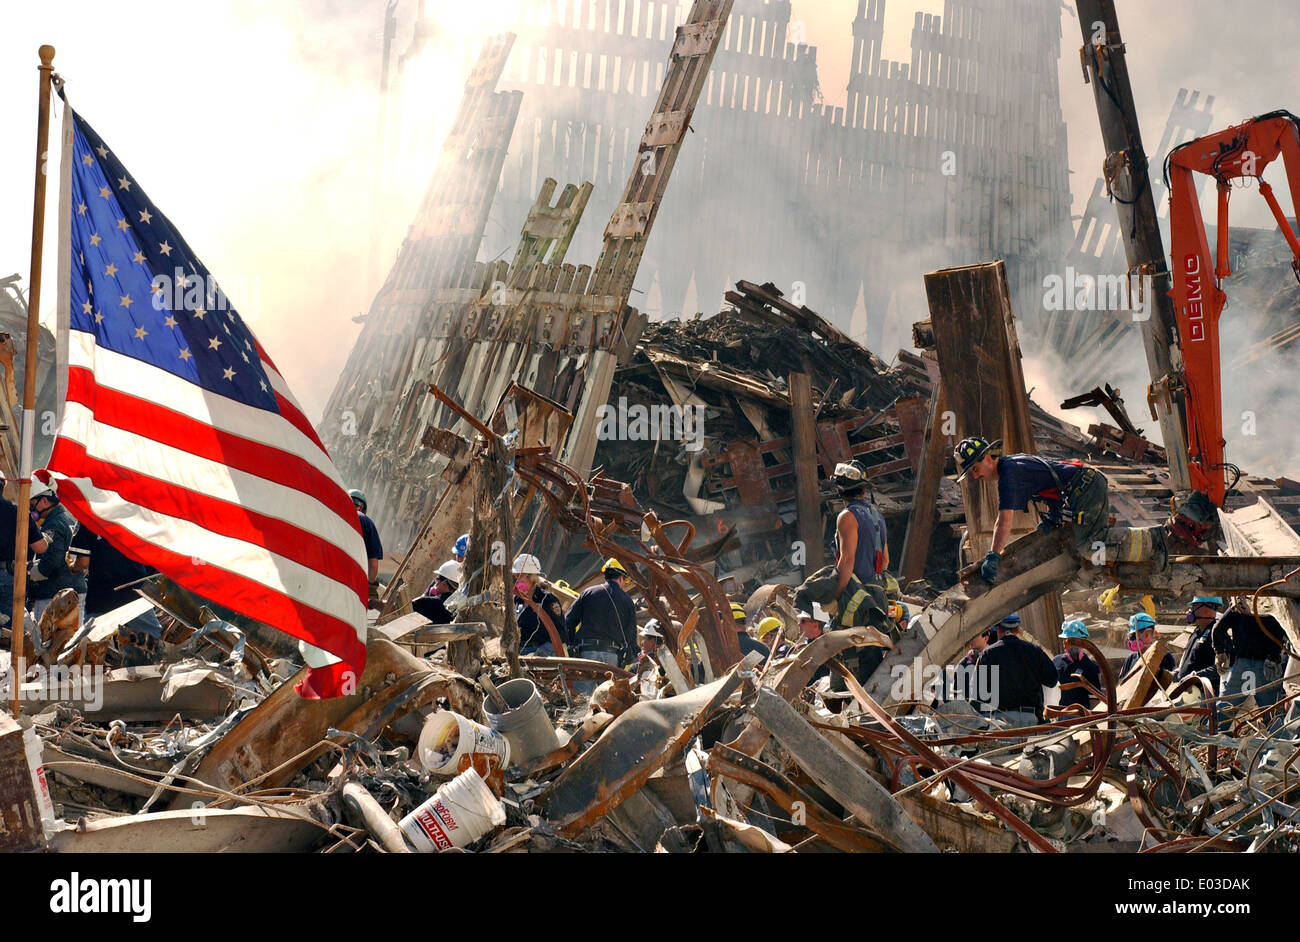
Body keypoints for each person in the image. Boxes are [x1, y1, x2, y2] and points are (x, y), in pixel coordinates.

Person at [952, 437, 1109, 585]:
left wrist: (994, 555)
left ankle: (1117, 565)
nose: (975, 475)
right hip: (1079, 489)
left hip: (1088, 487)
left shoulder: (1009, 474)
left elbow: (1004, 521)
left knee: (1090, 547)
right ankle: (1097, 576)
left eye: (975, 469)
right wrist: (1053, 515)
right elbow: (1049, 480)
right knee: (1073, 545)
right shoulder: (1011, 464)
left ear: (987, 458)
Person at [68, 524, 161, 640]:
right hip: (134, 583)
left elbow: (83, 562)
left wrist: (72, 568)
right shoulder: (129, 512)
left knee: (90, 640)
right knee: (152, 635)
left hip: (103, 589)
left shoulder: (88, 517)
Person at [566, 557, 637, 692]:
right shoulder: (627, 601)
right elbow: (631, 635)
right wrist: (628, 658)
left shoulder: (588, 593)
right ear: (621, 578)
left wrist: (571, 645)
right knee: (607, 699)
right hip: (611, 655)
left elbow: (568, 621)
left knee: (581, 698)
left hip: (586, 653)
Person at [974, 611, 1057, 726]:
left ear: (997, 629)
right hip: (1031, 720)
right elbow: (1052, 680)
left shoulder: (987, 654)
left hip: (1002, 722)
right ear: (1017, 629)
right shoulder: (1034, 650)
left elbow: (979, 695)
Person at [26, 476, 88, 627]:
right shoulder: (67, 519)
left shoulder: (53, 525)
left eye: (33, 505)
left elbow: (52, 561)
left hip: (56, 596)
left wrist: (30, 571)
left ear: (45, 501)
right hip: (74, 592)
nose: (31, 510)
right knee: (73, 645)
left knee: (49, 646)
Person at [831, 460, 890, 614]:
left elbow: (847, 561)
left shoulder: (847, 517)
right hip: (878, 598)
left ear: (839, 490)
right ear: (863, 491)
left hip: (856, 601)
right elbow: (885, 560)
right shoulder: (878, 516)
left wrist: (836, 597)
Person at [1214, 602, 1288, 712]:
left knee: (1222, 713)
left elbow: (1218, 629)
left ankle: (1211, 729)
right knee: (1273, 719)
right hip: (1267, 668)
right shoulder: (1277, 604)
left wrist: (1220, 652)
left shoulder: (1240, 605)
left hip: (1240, 668)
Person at [0, 488, 49, 624]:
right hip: (7, 576)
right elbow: (41, 547)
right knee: (10, 626)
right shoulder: (18, 512)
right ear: (3, 487)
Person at [513, 554, 566, 656]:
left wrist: (541, 653)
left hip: (540, 654)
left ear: (531, 577)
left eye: (520, 576)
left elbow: (561, 633)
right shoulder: (517, 600)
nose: (517, 581)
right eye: (515, 577)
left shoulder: (548, 600)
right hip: (519, 652)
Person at [1175, 596, 1224, 694]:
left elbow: (1221, 667)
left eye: (1194, 607)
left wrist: (1196, 676)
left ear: (1207, 609)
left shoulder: (1216, 634)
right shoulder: (1196, 632)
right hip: (1189, 694)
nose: (1191, 611)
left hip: (1203, 694)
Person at [1053, 620, 1101, 709]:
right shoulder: (1056, 662)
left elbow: (1094, 700)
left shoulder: (1091, 667)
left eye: (1069, 640)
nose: (1065, 643)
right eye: (1064, 640)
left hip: (1080, 717)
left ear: (1081, 642)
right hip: (1059, 716)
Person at [349, 489, 384, 608]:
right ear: (361, 507)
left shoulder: (334, 515)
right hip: (355, 582)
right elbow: (373, 564)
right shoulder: (366, 522)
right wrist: (370, 587)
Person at [1121, 612, 1176, 678]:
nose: (1132, 640)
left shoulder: (1165, 657)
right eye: (1131, 637)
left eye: (1134, 636)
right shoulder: (1130, 660)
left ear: (1147, 634)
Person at [411, 559, 460, 624]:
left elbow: (410, 606)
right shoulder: (460, 608)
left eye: (437, 579)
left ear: (444, 584)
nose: (435, 582)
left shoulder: (422, 603)